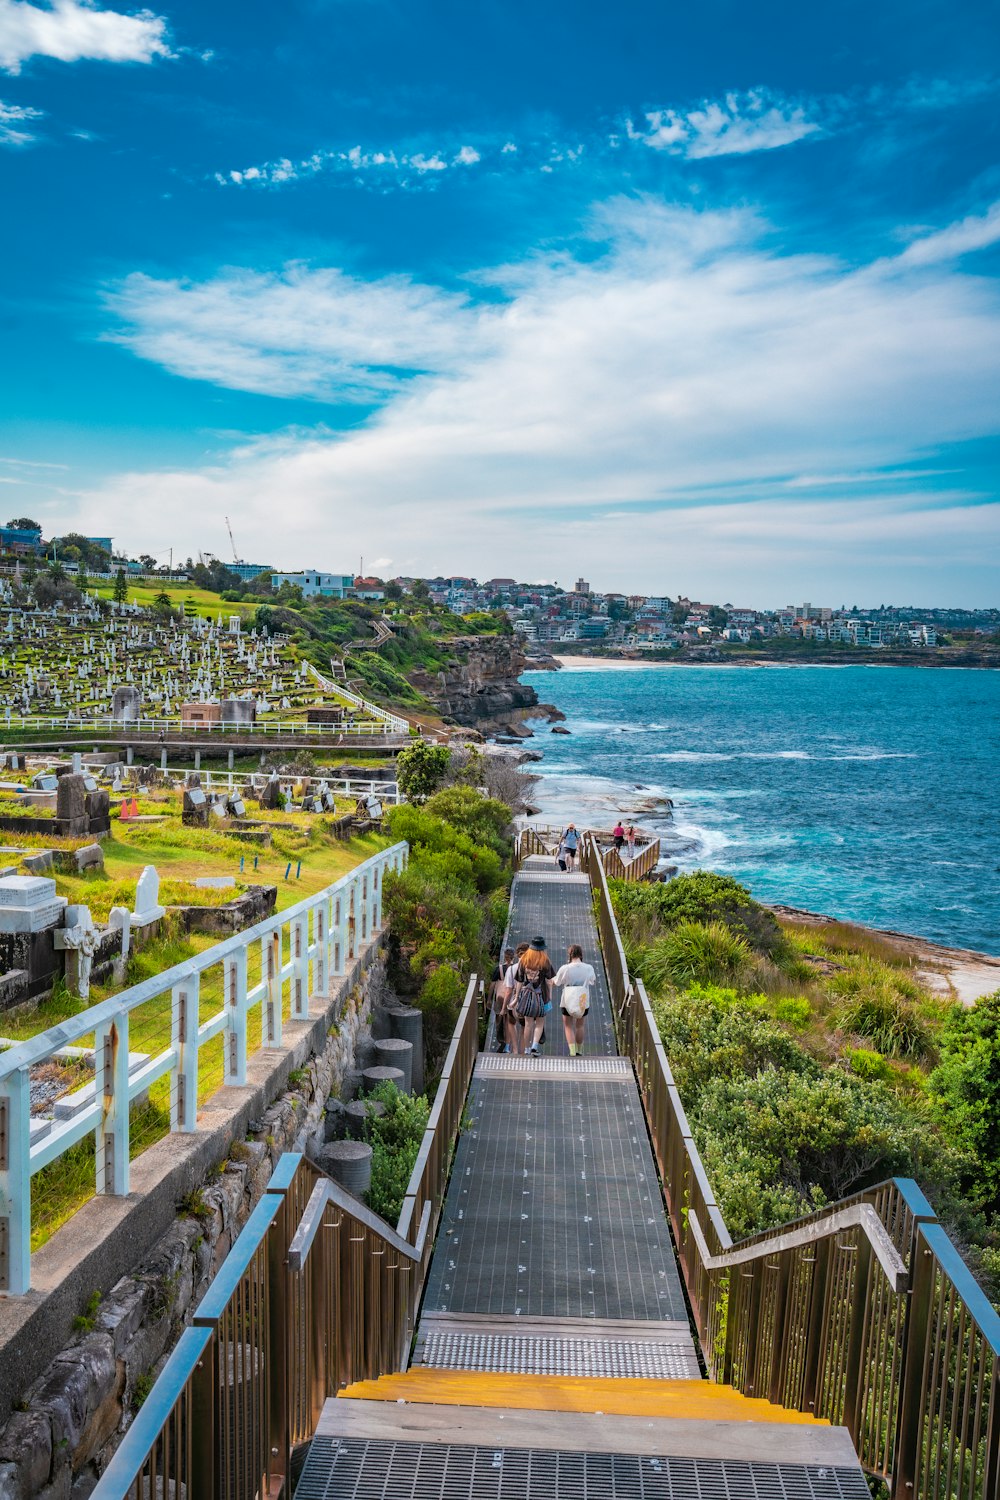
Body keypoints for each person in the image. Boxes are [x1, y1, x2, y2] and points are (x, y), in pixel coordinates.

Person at [509, 936, 555, 1056]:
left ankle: (527, 1049)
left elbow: (519, 981)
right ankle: (535, 1046)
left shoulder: (524, 959)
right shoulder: (545, 961)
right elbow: (550, 981)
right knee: (540, 1023)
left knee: (528, 1023)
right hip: (542, 996)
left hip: (526, 996)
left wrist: (516, 998)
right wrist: (550, 996)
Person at [553, 943, 597, 1056]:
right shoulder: (588, 968)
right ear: (581, 954)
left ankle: (572, 1051)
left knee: (568, 1025)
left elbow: (557, 982)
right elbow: (592, 981)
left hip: (567, 999)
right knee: (580, 1025)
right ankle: (579, 1050)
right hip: (583, 1000)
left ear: (570, 955)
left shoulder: (565, 968)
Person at [502, 941, 530, 1052]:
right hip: (527, 1001)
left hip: (514, 1001)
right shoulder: (532, 968)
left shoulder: (511, 969)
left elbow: (508, 991)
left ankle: (514, 1049)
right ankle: (523, 1052)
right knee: (524, 1026)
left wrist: (504, 1007)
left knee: (511, 1022)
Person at [488, 948, 515, 1051]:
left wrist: (489, 999)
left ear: (504, 956)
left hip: (499, 998)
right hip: (512, 999)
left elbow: (492, 985)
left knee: (499, 1019)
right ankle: (508, 1046)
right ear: (514, 956)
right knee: (510, 1021)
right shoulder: (516, 968)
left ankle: (501, 1040)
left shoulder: (499, 969)